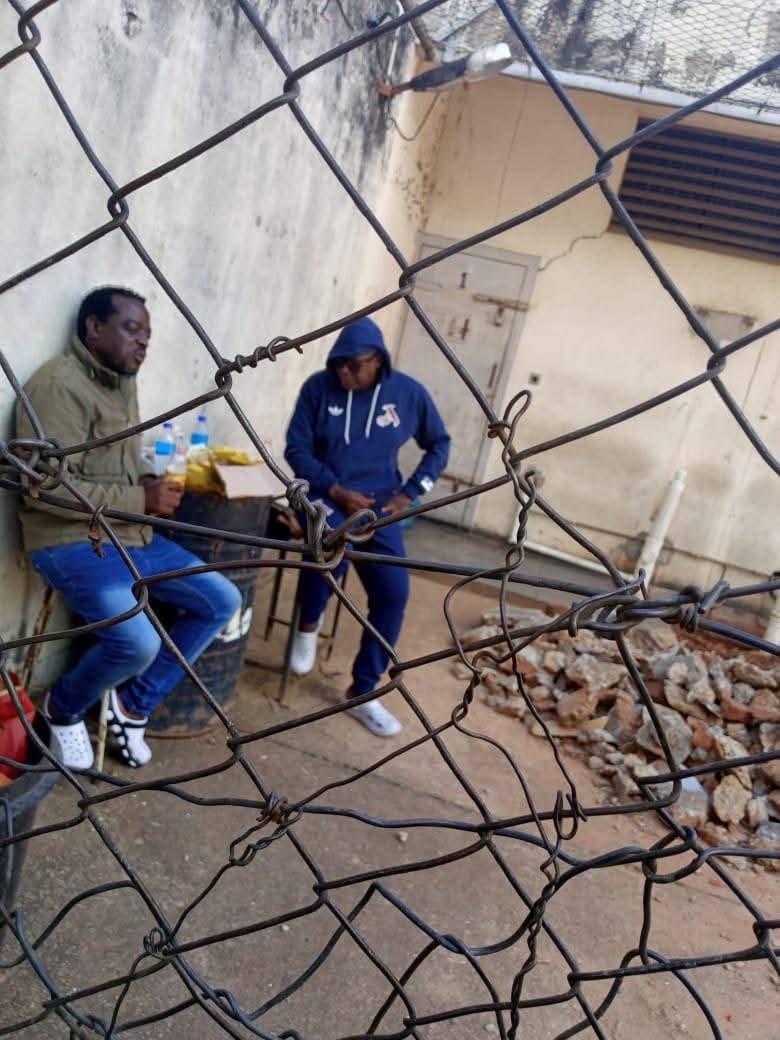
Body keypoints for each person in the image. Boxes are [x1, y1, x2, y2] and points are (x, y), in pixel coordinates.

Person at [15, 287, 241, 770]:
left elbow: (120, 458)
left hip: (128, 535)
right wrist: (143, 499)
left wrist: (147, 479)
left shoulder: (123, 381)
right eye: (131, 329)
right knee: (138, 642)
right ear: (94, 328)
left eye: (148, 334)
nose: (143, 343)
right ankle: (63, 708)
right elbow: (49, 489)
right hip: (67, 540)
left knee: (222, 599)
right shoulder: (57, 387)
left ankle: (132, 704)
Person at [284, 316, 450, 737]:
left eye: (353, 366)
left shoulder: (407, 394)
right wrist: (334, 489)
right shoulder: (318, 389)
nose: (343, 372)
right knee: (327, 557)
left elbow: (439, 444)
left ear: (377, 361)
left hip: (380, 506)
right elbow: (296, 449)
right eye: (338, 364)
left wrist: (409, 494)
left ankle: (363, 692)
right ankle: (308, 626)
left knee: (394, 593)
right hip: (328, 495)